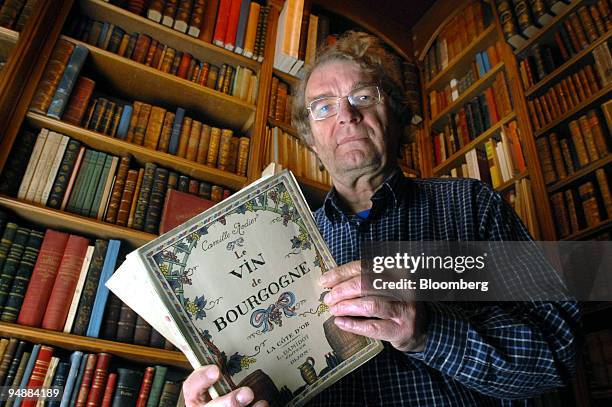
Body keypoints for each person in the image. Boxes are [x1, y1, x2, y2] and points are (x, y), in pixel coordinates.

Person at [183, 31, 579, 406]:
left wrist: (429, 330)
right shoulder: (285, 243)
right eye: (323, 106)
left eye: (363, 96)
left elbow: (559, 350)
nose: (347, 115)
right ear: (310, 138)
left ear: (397, 114)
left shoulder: (470, 205)